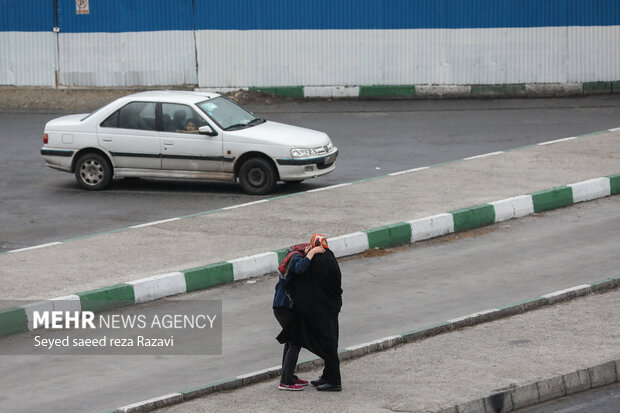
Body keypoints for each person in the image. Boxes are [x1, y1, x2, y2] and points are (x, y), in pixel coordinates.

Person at [277, 234, 343, 392]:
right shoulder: (330, 257)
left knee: (304, 341)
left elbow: (307, 283)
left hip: (319, 310)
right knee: (326, 342)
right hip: (330, 308)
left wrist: (311, 255)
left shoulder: (315, 261)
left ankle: (333, 381)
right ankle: (326, 376)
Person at [273, 242, 325, 391]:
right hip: (284, 308)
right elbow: (301, 267)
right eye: (309, 251)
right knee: (296, 341)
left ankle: (288, 376)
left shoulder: (291, 257)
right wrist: (313, 252)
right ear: (305, 249)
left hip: (282, 307)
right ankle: (286, 381)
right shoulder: (296, 258)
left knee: (291, 341)